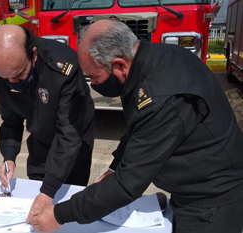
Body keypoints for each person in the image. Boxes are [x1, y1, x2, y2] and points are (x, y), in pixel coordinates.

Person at [27, 19, 243, 233]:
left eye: (94, 77)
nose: (93, 85)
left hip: (211, 200)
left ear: (119, 65)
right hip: (192, 184)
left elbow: (126, 184)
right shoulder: (151, 60)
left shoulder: (162, 96)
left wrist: (59, 214)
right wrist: (115, 165)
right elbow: (138, 128)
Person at [0, 25, 94, 216]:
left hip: (73, 144)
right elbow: (11, 120)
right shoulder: (1, 71)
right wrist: (9, 157)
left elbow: (69, 133)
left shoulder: (62, 67)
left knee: (68, 204)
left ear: (33, 55)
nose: (13, 82)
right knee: (35, 198)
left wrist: (48, 191)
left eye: (19, 74)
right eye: (6, 78)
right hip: (40, 139)